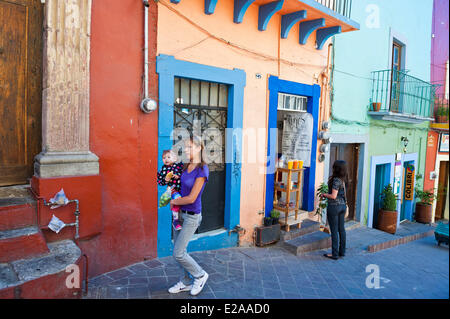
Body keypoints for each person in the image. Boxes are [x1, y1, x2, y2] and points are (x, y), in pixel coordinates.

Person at [167, 135, 209, 296]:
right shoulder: (186, 166)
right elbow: (179, 184)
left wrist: (175, 202)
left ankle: (199, 275)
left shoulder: (202, 170)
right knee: (179, 252)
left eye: (189, 147)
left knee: (178, 252)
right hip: (179, 214)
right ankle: (185, 281)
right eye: (185, 147)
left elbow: (192, 197)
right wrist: (172, 190)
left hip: (192, 216)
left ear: (199, 148)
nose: (185, 150)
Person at [321, 160, 348, 260]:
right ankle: (342, 251)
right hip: (342, 207)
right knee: (341, 229)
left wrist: (324, 195)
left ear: (336, 169)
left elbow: (333, 195)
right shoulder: (343, 179)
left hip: (334, 207)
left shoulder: (336, 180)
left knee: (334, 230)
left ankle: (334, 254)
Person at [157, 150, 184, 230]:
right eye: (164, 158)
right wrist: (165, 180)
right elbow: (160, 181)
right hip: (173, 189)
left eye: (169, 157)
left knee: (180, 204)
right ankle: (175, 221)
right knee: (177, 199)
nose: (166, 159)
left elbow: (184, 173)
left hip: (182, 188)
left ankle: (180, 219)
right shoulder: (163, 169)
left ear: (175, 159)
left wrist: (178, 176)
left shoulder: (178, 165)